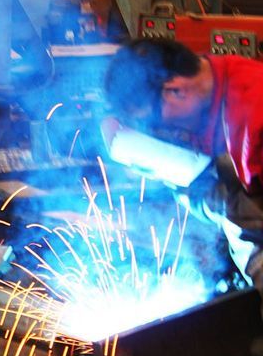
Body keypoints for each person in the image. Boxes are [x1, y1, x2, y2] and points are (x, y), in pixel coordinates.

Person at [104, 38, 263, 310]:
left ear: (175, 90)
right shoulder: (214, 80)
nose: (157, 129)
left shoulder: (253, 121)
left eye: (152, 120)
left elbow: (245, 216)